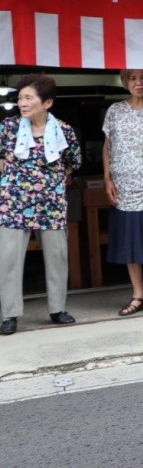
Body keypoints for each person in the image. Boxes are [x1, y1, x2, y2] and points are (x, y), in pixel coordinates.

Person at [0, 74, 82, 336]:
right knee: (9, 260)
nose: (22, 103)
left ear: (46, 103)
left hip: (51, 203)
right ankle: (9, 314)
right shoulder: (8, 128)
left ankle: (57, 309)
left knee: (57, 257)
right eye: (20, 98)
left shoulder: (64, 130)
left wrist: (52, 181)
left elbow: (74, 162)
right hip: (13, 202)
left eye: (28, 98)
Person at [103, 69, 143, 316]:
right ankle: (138, 293)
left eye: (142, 78)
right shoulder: (115, 111)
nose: (138, 83)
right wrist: (107, 178)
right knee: (130, 240)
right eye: (132, 78)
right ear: (125, 82)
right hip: (123, 187)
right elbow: (108, 147)